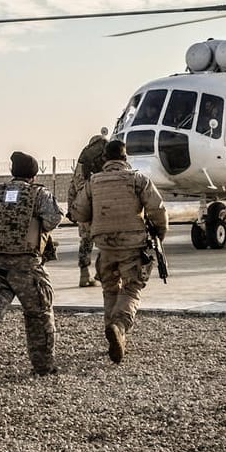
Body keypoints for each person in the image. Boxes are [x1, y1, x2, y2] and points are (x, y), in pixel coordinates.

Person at [0, 151, 62, 386]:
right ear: (34, 174)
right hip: (26, 266)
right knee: (39, 315)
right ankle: (43, 366)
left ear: (12, 172)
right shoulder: (39, 193)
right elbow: (53, 219)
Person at [70, 138, 166, 363]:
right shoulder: (138, 179)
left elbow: (78, 212)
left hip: (105, 245)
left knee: (110, 289)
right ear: (125, 158)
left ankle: (112, 334)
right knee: (132, 288)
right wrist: (159, 235)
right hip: (133, 245)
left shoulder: (93, 182)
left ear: (105, 159)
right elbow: (158, 210)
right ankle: (119, 325)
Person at [69, 131, 109, 287]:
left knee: (85, 242)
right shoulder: (103, 160)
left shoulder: (81, 165)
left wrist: (73, 210)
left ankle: (84, 274)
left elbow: (72, 189)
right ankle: (101, 273)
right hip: (101, 208)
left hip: (84, 209)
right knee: (105, 242)